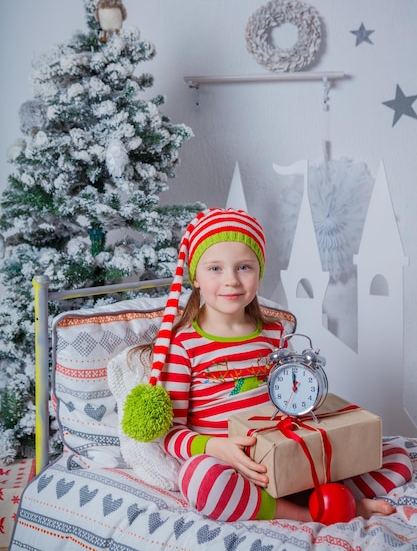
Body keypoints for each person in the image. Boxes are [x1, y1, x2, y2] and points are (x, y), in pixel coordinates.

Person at [130, 208, 413, 522]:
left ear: (259, 272)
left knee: (397, 454)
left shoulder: (275, 333)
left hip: (287, 455)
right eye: (215, 268)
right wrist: (215, 447)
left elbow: (295, 395)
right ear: (195, 277)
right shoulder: (183, 346)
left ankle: (332, 500)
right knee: (199, 478)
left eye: (244, 267)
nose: (232, 281)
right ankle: (307, 513)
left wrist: (303, 417)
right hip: (233, 469)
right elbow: (171, 434)